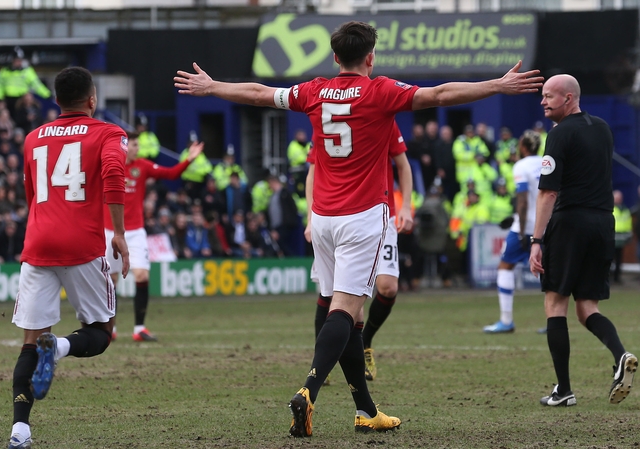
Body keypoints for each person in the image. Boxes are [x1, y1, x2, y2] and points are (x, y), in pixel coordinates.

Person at [175, 20, 542, 436]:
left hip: (323, 219)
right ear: (371, 57)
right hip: (362, 218)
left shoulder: (313, 91)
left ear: (335, 57)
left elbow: (259, 93)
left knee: (346, 312)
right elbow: (440, 94)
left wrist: (213, 87)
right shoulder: (380, 91)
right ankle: (308, 390)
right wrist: (497, 85)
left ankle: (366, 410)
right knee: (346, 311)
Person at [8, 66, 130, 449]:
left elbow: (30, 194)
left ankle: (19, 430)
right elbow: (114, 173)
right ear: (92, 99)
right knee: (101, 331)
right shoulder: (109, 133)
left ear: (57, 100)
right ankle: (60, 347)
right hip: (81, 245)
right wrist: (119, 233)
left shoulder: (32, 138)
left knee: (30, 341)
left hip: (38, 244)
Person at [529, 74, 637, 407]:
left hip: (570, 223)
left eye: (549, 96)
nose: (543, 101)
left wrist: (536, 240)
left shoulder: (559, 134)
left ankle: (564, 390)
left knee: (555, 303)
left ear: (568, 98)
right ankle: (621, 355)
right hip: (603, 223)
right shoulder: (603, 128)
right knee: (587, 307)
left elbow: (548, 192)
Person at [309, 121, 414, 382]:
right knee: (332, 291)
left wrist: (405, 206)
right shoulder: (328, 113)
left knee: (387, 287)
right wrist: (310, 217)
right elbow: (313, 169)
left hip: (379, 214)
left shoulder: (381, 115)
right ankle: (320, 363)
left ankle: (365, 342)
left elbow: (402, 164)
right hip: (335, 215)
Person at [104, 132, 203, 342]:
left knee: (142, 276)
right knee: (111, 280)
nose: (137, 149)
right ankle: (109, 328)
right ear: (124, 147)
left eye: (137, 145)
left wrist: (189, 159)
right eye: (134, 145)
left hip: (135, 232)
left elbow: (171, 174)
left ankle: (139, 328)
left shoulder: (143, 166)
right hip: (110, 231)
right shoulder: (110, 165)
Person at [483, 130, 542, 334]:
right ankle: (555, 322)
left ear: (523, 147)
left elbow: (523, 201)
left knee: (505, 267)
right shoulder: (546, 163)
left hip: (526, 227)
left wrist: (521, 231)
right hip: (547, 225)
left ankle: (506, 320)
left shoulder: (521, 166)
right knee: (550, 273)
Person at [0, 47, 51, 118]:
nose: (19, 62)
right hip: (8, 99)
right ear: (12, 60)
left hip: (21, 100)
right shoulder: (5, 71)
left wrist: (47, 94)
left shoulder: (27, 71)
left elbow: (36, 85)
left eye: (20, 60)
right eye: (17, 60)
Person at [612, 189, 632, 284]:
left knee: (619, 260)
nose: (618, 199)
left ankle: (617, 278)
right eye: (616, 198)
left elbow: (628, 223)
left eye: (619, 198)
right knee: (609, 259)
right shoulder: (610, 209)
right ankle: (609, 278)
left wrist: (628, 236)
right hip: (611, 238)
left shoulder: (625, 210)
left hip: (621, 239)